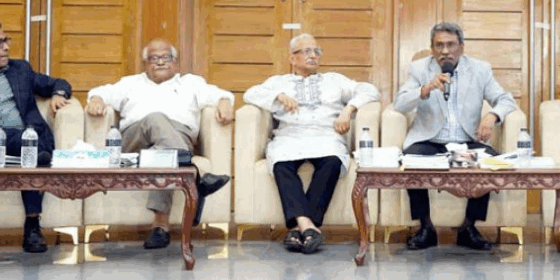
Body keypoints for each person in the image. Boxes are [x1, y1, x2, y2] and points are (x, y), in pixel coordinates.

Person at [85, 39, 233, 250]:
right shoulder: (130, 83)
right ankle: (195, 178)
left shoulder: (191, 83)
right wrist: (96, 100)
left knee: (165, 155)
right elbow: (101, 92)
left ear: (175, 62)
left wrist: (224, 102)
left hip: (177, 137)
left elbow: (220, 94)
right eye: (154, 58)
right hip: (135, 138)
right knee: (156, 119)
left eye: (166, 57)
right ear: (146, 63)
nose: (161, 62)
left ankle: (160, 228)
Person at [243, 33, 380, 254]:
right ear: (292, 58)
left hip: (326, 136)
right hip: (290, 136)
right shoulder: (279, 82)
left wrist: (348, 109)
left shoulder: (334, 80)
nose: (313, 56)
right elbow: (250, 94)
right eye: (307, 51)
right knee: (281, 165)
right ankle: (309, 228)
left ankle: (298, 229)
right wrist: (278, 96)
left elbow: (370, 90)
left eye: (317, 51)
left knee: (332, 161)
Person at [393, 22, 517, 251]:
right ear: (432, 48)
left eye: (450, 45)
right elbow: (399, 104)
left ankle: (468, 228)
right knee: (412, 162)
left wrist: (491, 116)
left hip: (465, 143)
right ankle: (425, 228)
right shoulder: (419, 69)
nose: (445, 51)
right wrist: (425, 89)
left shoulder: (480, 69)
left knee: (489, 164)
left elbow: (506, 100)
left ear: (461, 46)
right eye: (439, 45)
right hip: (429, 142)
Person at [0, 22, 72, 253]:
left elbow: (59, 83)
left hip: (26, 138)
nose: (6, 48)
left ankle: (32, 225)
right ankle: (39, 157)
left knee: (30, 149)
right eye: (0, 43)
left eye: (6, 41)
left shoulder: (21, 70)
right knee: (32, 152)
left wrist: (58, 95)